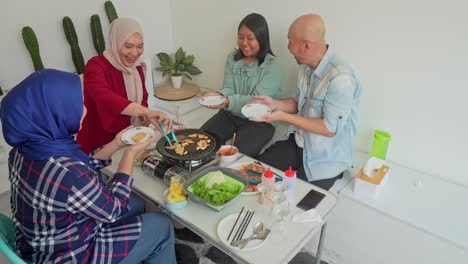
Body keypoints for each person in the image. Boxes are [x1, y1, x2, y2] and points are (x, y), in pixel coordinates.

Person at [0, 69, 176, 263]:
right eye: (76, 104)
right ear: (55, 112)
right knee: (161, 225)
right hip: (72, 256)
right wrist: (130, 152)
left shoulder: (22, 151)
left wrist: (117, 143)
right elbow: (114, 210)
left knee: (136, 201)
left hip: (41, 246)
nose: (84, 109)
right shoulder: (71, 175)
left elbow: (82, 168)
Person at [253, 14, 361, 190]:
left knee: (298, 204)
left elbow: (329, 128)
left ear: (306, 45)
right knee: (257, 172)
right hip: (299, 143)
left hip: (326, 158)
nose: (288, 48)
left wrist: (284, 117)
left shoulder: (341, 77)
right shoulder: (305, 67)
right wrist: (275, 104)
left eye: (290, 42)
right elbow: (302, 104)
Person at [77, 17, 172, 154]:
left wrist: (147, 117)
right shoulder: (96, 65)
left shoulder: (137, 67)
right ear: (115, 43)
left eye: (140, 47)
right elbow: (103, 96)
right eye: (128, 46)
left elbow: (143, 99)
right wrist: (144, 111)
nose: (134, 53)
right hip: (100, 144)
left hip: (129, 137)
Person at [200, 13, 283, 157]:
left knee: (237, 154)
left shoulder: (273, 65)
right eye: (240, 37)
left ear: (262, 38)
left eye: (250, 38)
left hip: (260, 121)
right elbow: (228, 88)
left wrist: (228, 100)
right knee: (203, 139)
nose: (244, 42)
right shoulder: (232, 59)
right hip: (231, 114)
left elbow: (256, 101)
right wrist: (219, 95)